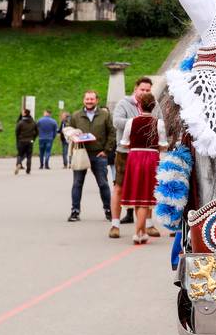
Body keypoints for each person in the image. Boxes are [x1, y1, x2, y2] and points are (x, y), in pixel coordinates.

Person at [111, 77, 159, 237]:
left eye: (148, 90)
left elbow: (160, 122)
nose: (145, 92)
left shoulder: (154, 104)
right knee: (119, 187)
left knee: (148, 189)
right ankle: (115, 225)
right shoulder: (123, 103)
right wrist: (140, 122)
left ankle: (149, 225)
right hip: (125, 153)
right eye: (142, 89)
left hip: (148, 153)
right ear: (135, 89)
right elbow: (116, 122)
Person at [117, 92, 167, 245]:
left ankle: (141, 232)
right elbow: (163, 144)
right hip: (151, 158)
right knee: (145, 196)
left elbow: (124, 142)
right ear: (154, 107)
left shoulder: (131, 122)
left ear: (139, 105)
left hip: (134, 158)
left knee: (138, 195)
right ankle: (138, 232)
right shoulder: (158, 123)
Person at [68, 90, 115, 223]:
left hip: (99, 154)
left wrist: (106, 151)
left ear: (97, 100)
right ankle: (75, 211)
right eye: (87, 99)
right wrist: (72, 134)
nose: (89, 101)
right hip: (81, 153)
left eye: (92, 99)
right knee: (77, 183)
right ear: (84, 100)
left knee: (103, 184)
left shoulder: (105, 115)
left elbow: (112, 133)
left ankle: (108, 210)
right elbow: (69, 130)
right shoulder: (76, 115)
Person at [14, 109, 37, 175]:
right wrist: (33, 139)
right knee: (29, 156)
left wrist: (18, 139)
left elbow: (17, 132)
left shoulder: (21, 122)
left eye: (23, 112)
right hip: (30, 141)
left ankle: (18, 163)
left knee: (19, 154)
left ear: (25, 114)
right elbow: (37, 132)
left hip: (21, 141)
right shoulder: (33, 122)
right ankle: (28, 169)